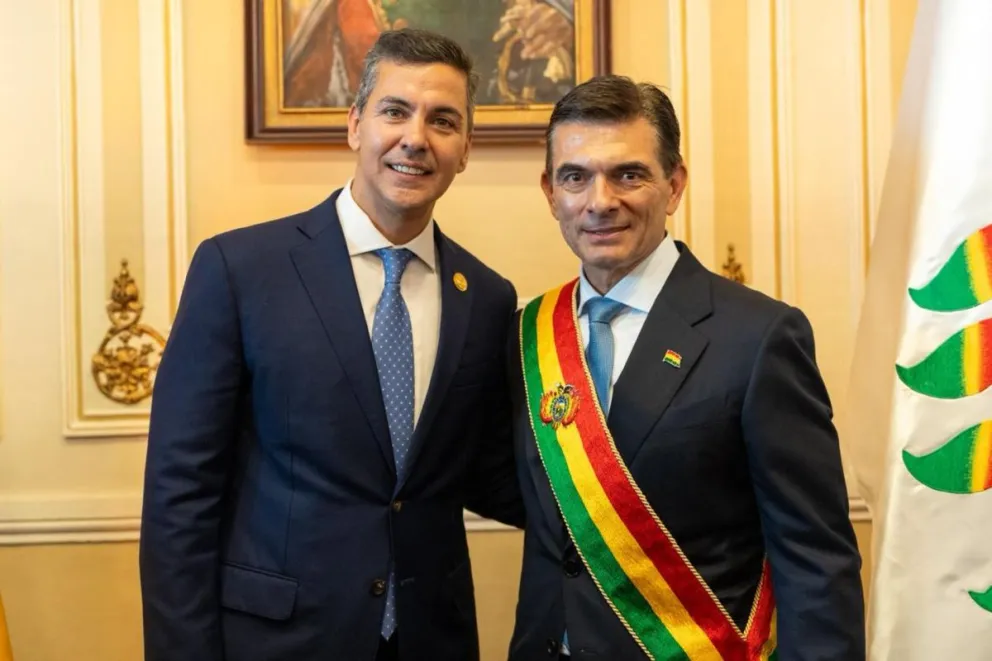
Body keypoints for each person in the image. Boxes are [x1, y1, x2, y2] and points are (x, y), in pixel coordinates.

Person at [140, 29, 523, 661]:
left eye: (443, 121)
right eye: (394, 111)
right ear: (354, 125)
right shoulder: (240, 270)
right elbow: (180, 493)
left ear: (465, 149)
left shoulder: (486, 297)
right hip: (278, 639)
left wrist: (642, 501)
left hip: (431, 639)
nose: (415, 138)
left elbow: (477, 471)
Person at [507, 75, 865, 660]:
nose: (600, 201)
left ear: (674, 185)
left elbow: (815, 558)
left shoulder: (760, 336)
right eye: (576, 177)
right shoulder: (526, 335)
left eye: (628, 174)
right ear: (550, 192)